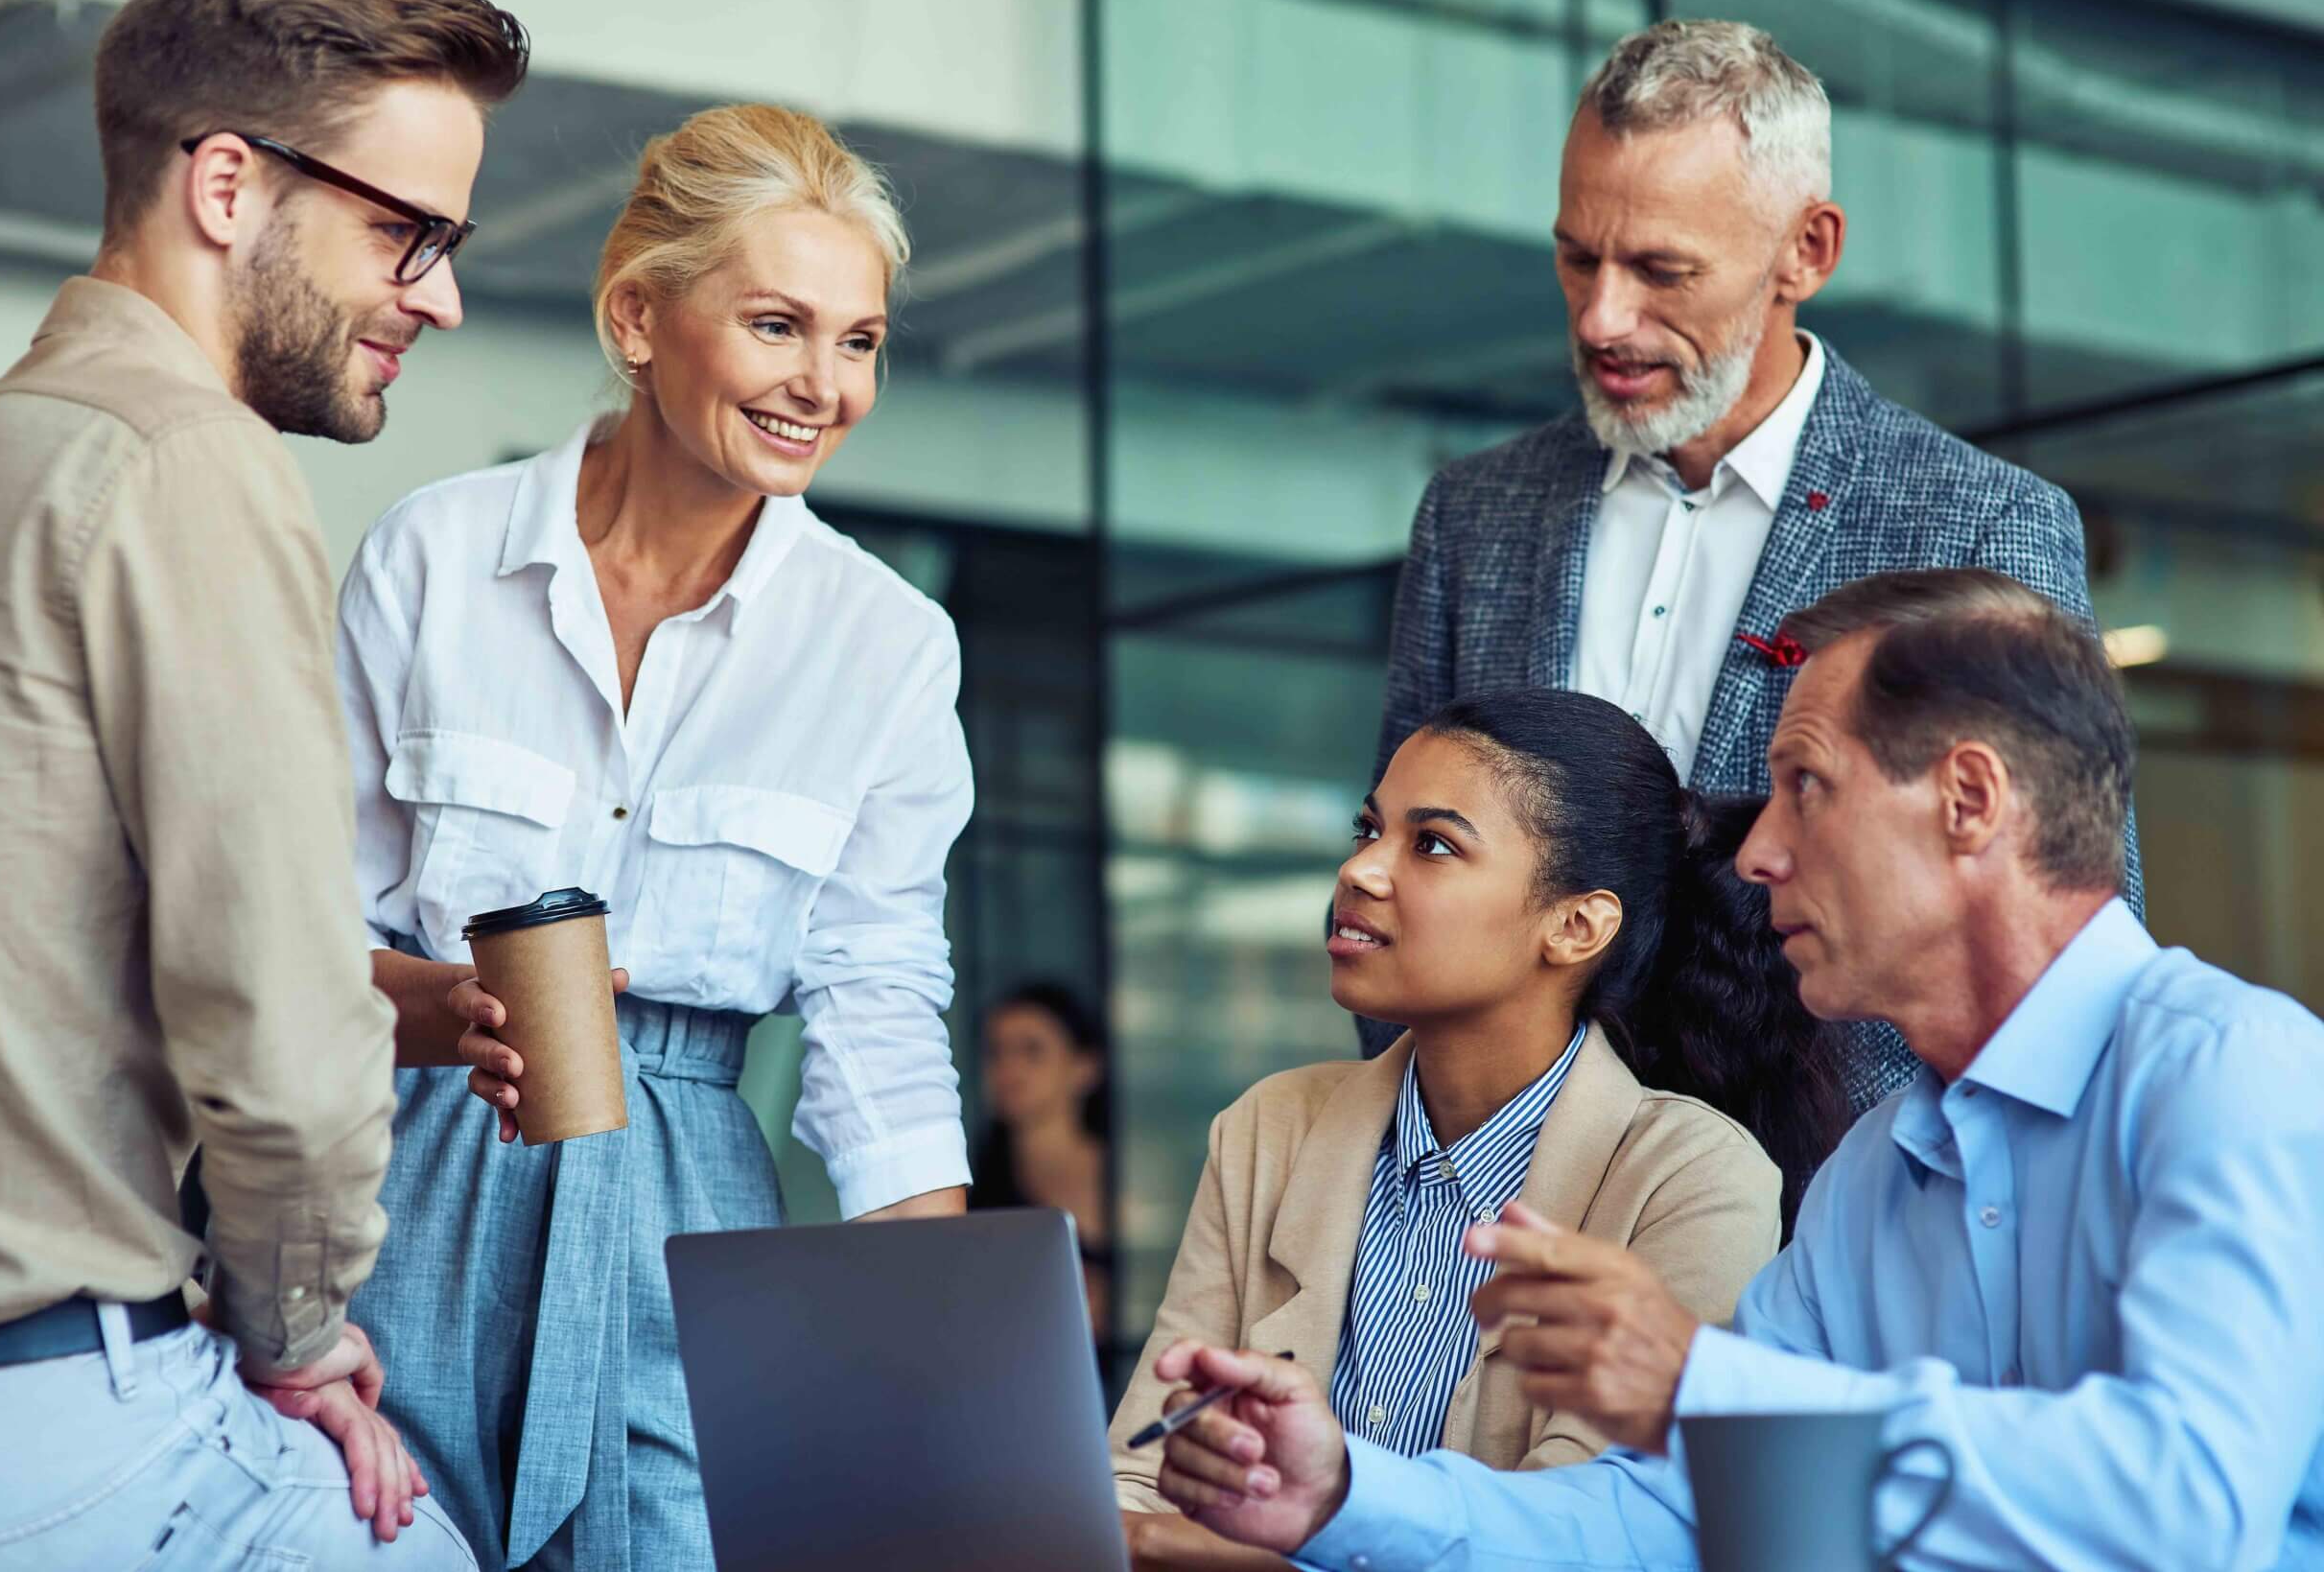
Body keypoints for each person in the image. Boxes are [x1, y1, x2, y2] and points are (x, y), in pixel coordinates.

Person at [1148, 570, 2324, 1572]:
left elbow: (2190, 1504)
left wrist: (1708, 1392)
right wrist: (1346, 1492)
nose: (1758, 849)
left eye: (1805, 784)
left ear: (1969, 802)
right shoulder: (1870, 1178)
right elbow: (1663, 1516)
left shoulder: (2232, 1076)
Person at [0, 0, 528, 1565]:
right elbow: (278, 1028)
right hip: (58, 1425)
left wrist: (383, 987)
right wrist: (300, 1326)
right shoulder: (187, 464)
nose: (437, 292)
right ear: (227, 184)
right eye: (406, 231)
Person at [337, 103, 974, 1570]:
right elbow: (303, 941)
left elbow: (877, 1008)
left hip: (690, 1199)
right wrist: (458, 1014)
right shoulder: (434, 556)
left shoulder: (885, 643)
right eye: (777, 326)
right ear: (638, 317)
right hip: (413, 1166)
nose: (825, 385)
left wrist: (945, 1359)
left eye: (860, 341)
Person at [1364, 19, 2141, 1111]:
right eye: (1577, 255)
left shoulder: (1979, 523)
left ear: (1806, 252)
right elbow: (1399, 861)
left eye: (1659, 269)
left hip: (1841, 1198)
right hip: (1501, 1195)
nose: (1602, 315)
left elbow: (2064, 938)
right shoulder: (1477, 514)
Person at [1116, 690, 1851, 1571]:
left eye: (1432, 843)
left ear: (1577, 926)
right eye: (1367, 828)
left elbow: (1596, 1538)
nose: (1362, 871)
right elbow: (1138, 1485)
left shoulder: (1692, 1175)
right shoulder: (1269, 1127)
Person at [972, 982, 1115, 1346]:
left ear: (1086, 1067)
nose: (1009, 1068)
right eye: (996, 1052)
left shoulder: (1130, 1171)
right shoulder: (966, 1185)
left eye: (1031, 1051)